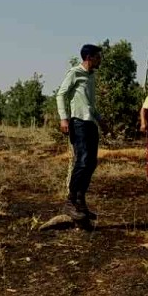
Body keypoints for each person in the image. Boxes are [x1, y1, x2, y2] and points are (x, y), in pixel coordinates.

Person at [56, 44, 103, 223]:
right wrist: (63, 118)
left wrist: (100, 119)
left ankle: (80, 201)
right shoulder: (75, 72)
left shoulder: (91, 76)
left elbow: (90, 104)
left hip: (90, 122)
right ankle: (70, 201)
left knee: (91, 163)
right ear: (89, 57)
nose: (100, 60)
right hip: (78, 123)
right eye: (98, 56)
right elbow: (61, 94)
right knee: (82, 161)